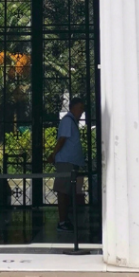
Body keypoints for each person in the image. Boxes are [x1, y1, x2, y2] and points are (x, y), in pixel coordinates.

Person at [50, 96, 85, 232]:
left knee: (67, 191)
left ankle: (65, 219)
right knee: (63, 192)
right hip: (66, 162)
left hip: (70, 162)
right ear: (73, 108)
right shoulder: (67, 121)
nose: (81, 111)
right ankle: (62, 221)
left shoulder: (71, 121)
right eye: (80, 108)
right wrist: (53, 155)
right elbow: (62, 139)